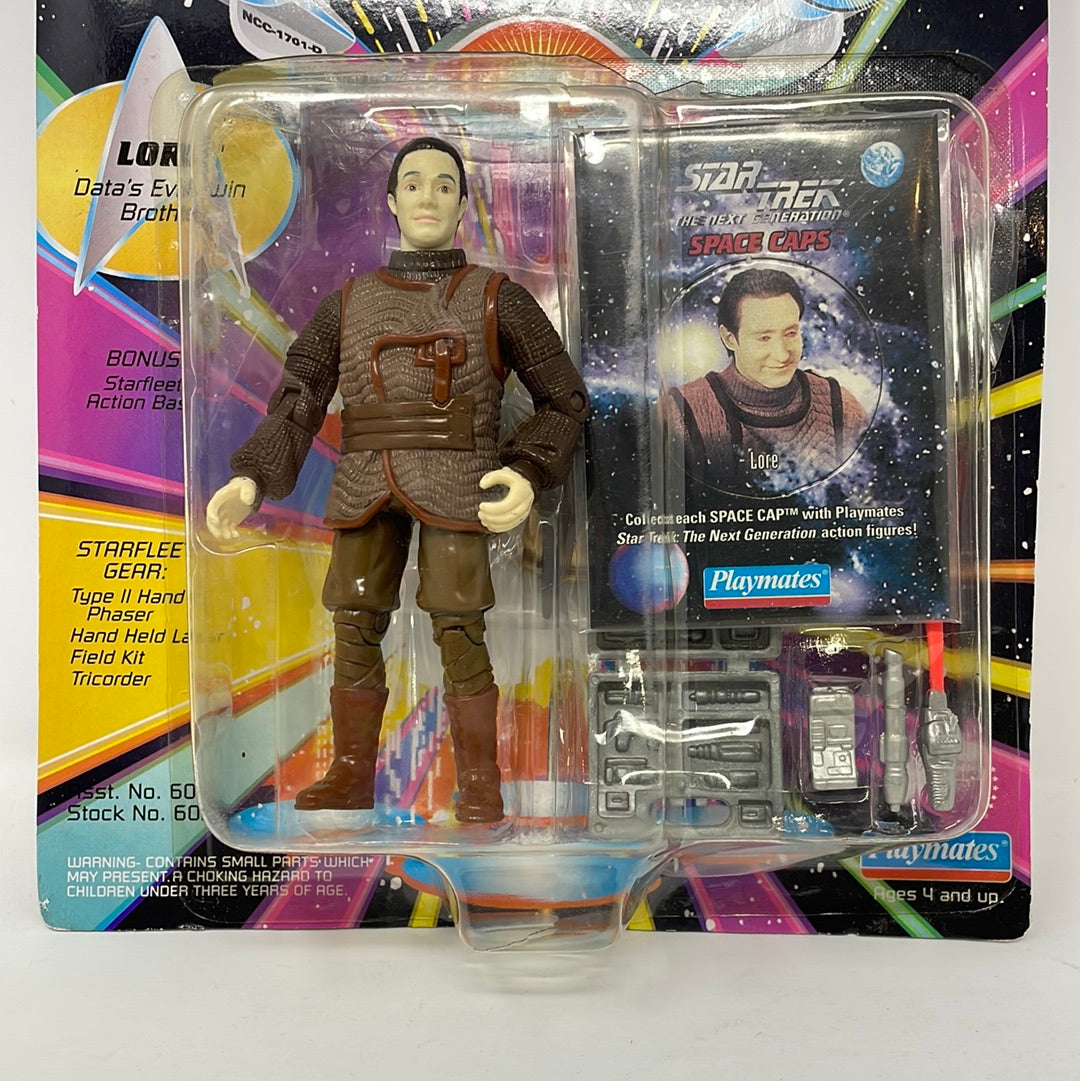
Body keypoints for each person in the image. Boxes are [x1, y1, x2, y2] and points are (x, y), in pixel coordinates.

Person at [205, 136, 589, 823]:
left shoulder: (497, 299)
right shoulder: (348, 304)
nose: (427, 197)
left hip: (459, 475)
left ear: (463, 203)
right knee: (354, 622)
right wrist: (253, 478)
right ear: (391, 200)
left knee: (459, 624)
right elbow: (300, 394)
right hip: (365, 480)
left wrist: (527, 470)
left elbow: (564, 398)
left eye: (444, 185)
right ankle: (351, 773)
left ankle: (480, 782)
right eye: (413, 183)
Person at [664, 267, 867, 492]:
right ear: (730, 338)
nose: (782, 354)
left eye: (790, 333)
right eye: (764, 338)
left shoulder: (839, 407)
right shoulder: (682, 413)